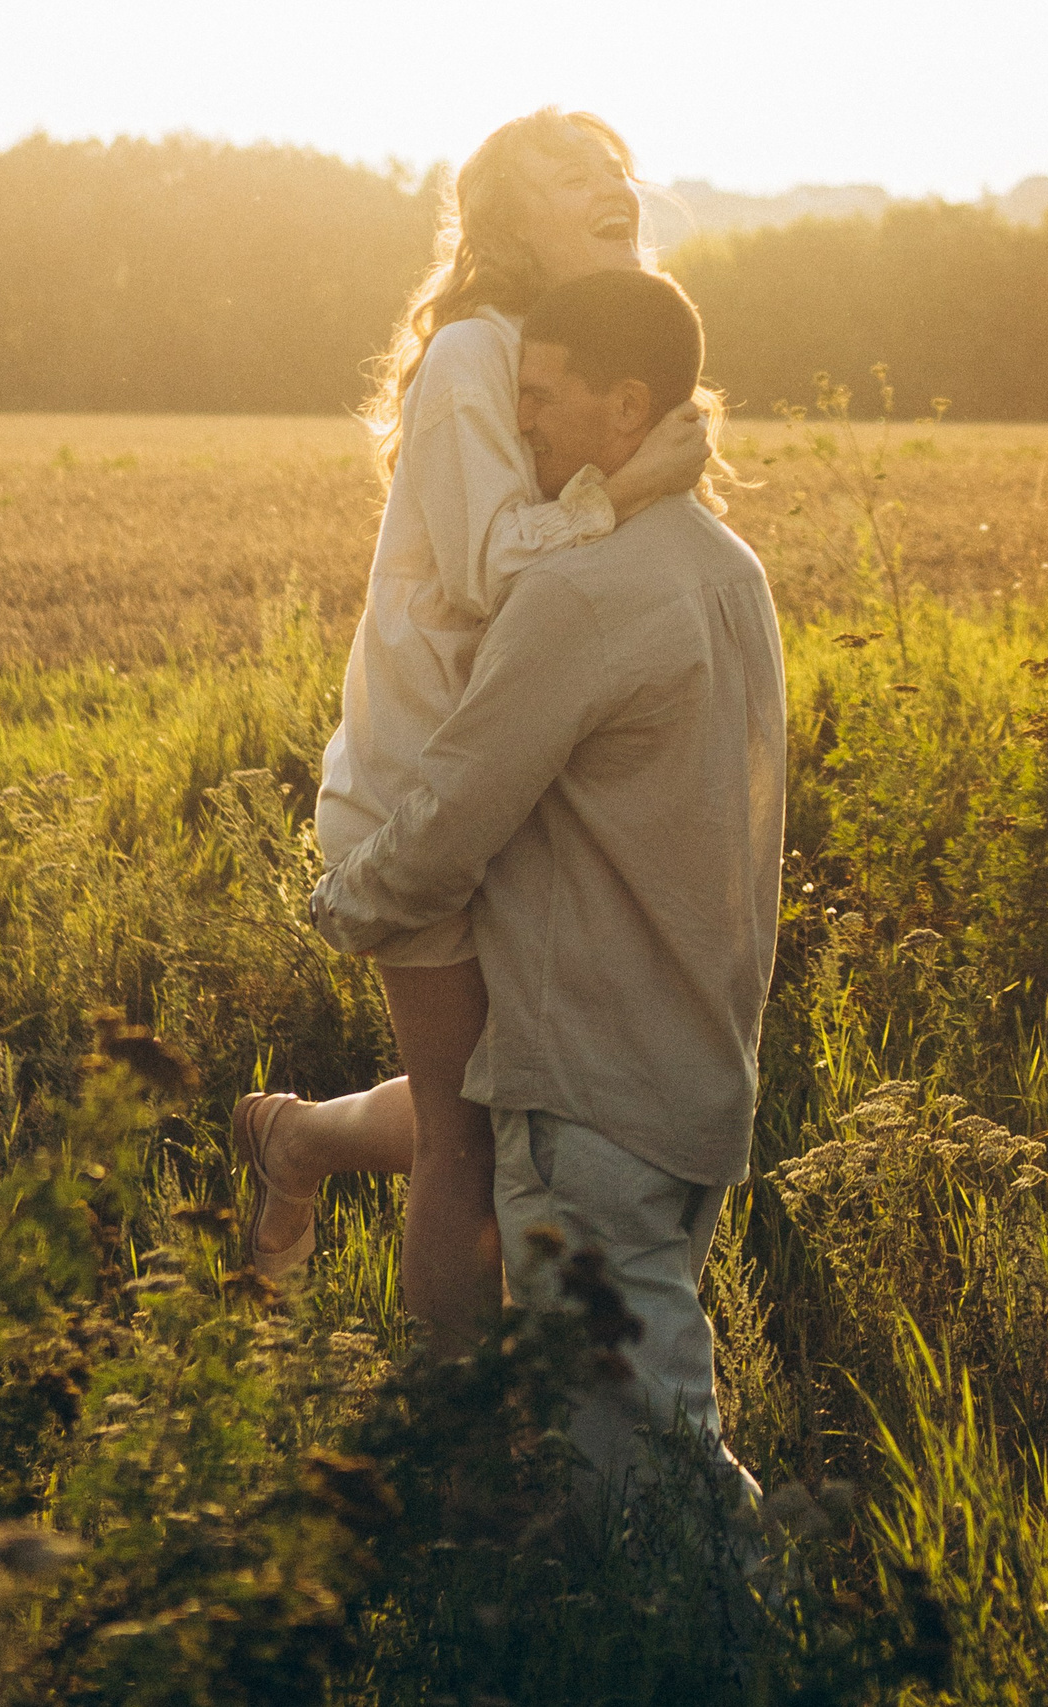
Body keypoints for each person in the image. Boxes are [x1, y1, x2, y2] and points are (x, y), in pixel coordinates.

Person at [230, 111, 713, 1354]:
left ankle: (296, 1138)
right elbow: (501, 572)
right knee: (466, 1136)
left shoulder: (592, 349)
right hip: (426, 787)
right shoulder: (470, 356)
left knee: (510, 1098)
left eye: (614, 167)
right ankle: (450, 1425)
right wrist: (629, 486)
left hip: (531, 780)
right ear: (506, 218)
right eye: (570, 172)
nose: (610, 182)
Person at [308, 267, 784, 1511]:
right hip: (699, 1065)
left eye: (541, 396)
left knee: (647, 1474)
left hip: (588, 1082)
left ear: (625, 409)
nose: (517, 425)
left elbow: (454, 814)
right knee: (617, 1434)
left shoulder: (575, 593)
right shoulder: (730, 568)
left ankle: (749, 1616)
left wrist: (343, 905)